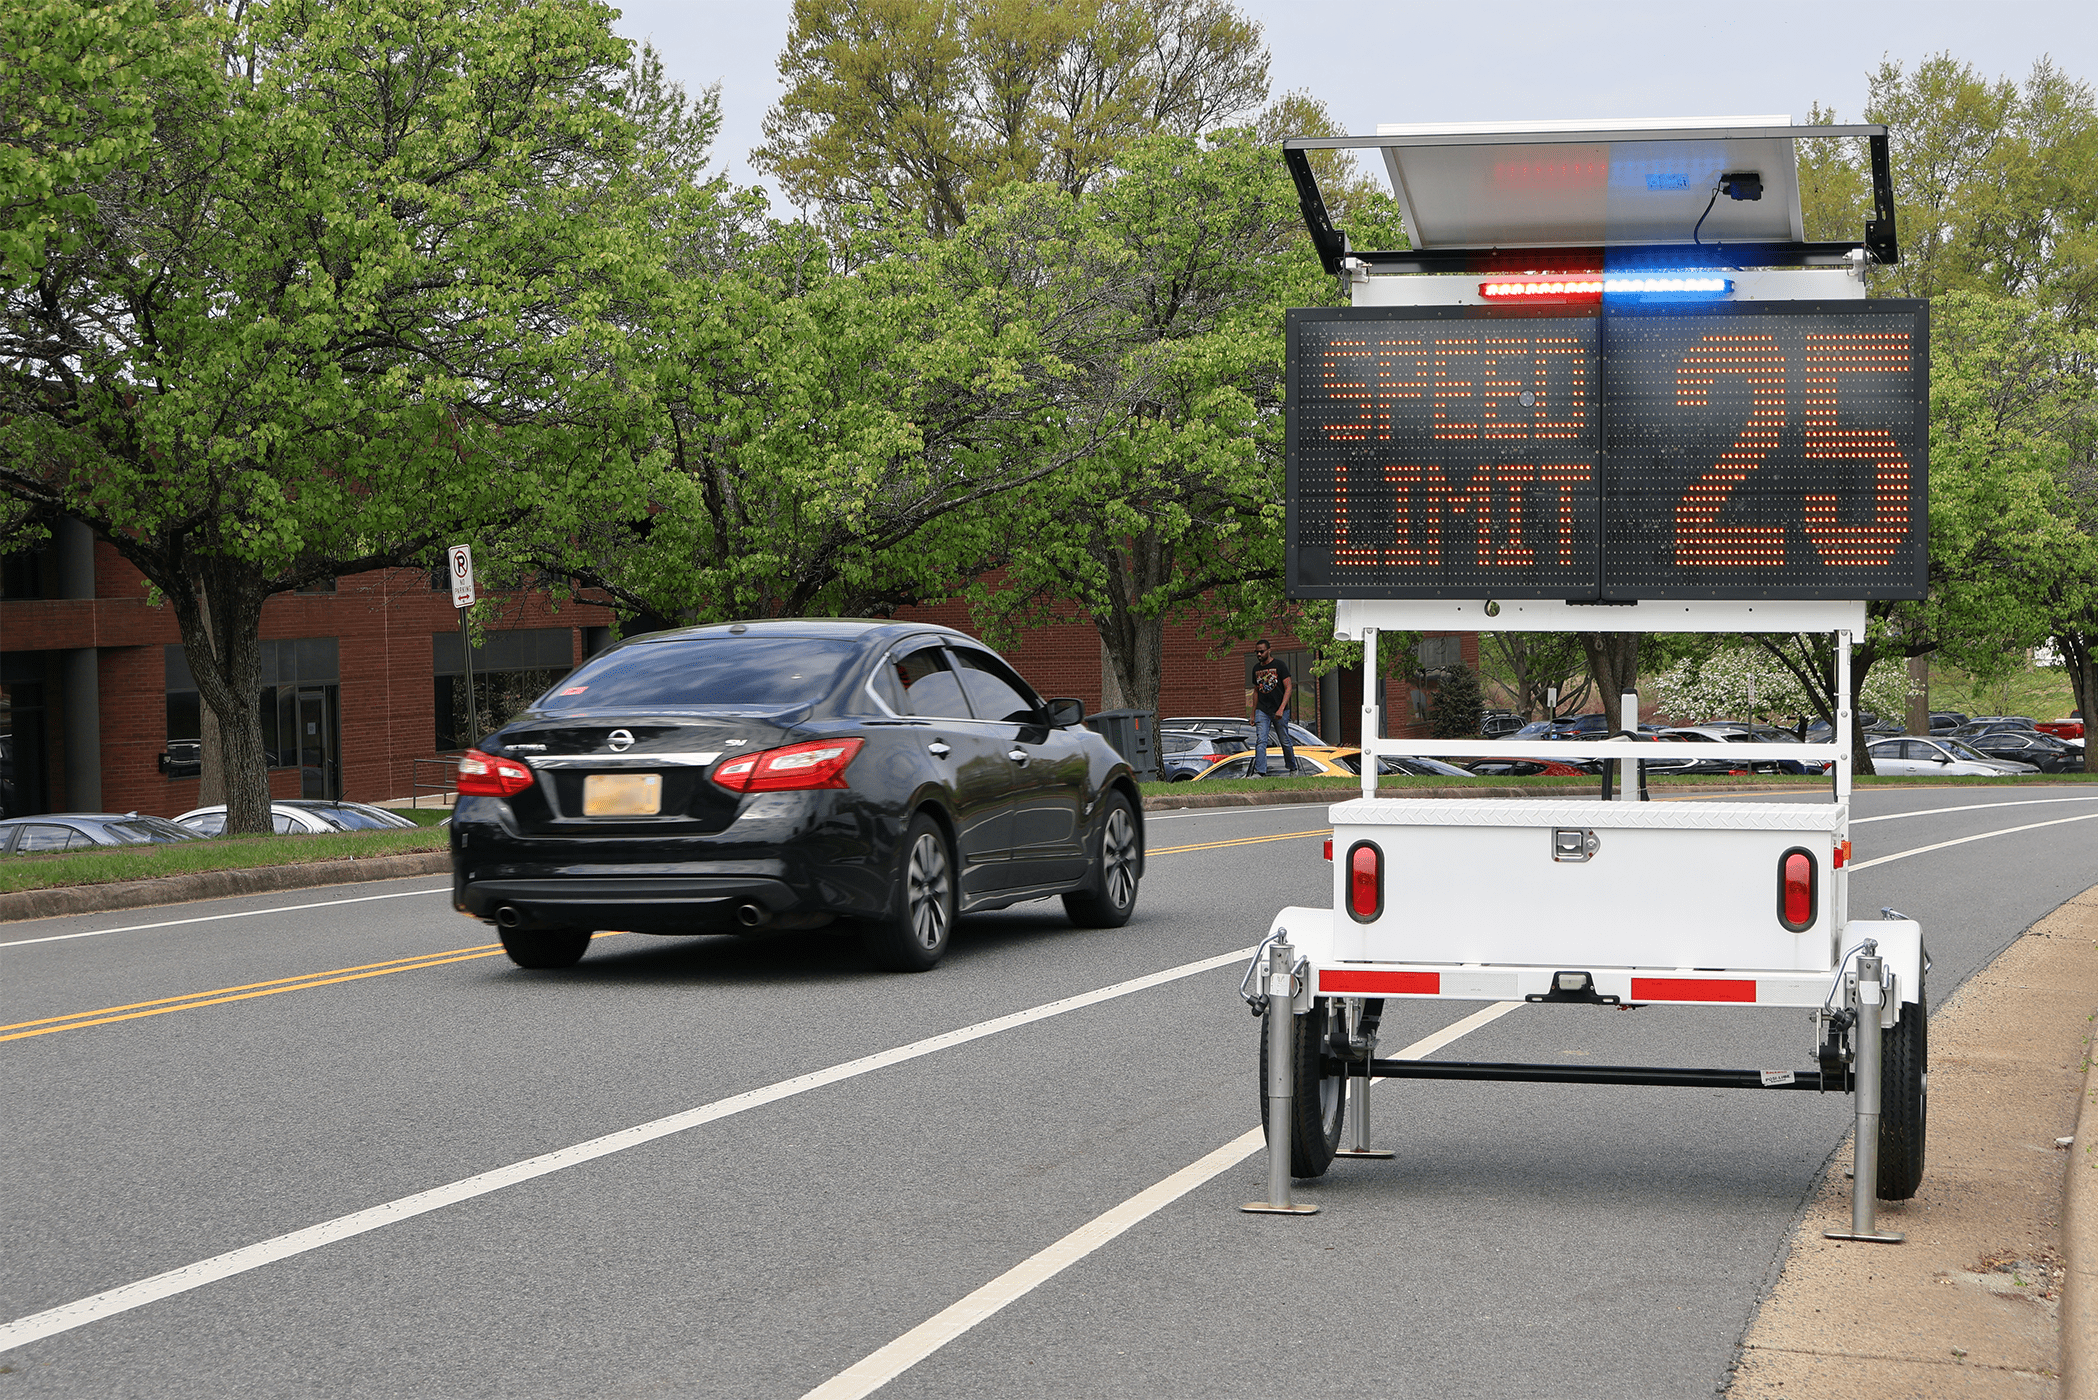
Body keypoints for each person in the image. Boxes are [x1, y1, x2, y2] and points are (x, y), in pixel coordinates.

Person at [1249, 640, 1295, 777]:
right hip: (1263, 710)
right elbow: (1256, 691)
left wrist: (1281, 708)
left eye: (1261, 651)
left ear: (1269, 650)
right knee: (1261, 740)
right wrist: (1253, 713)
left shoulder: (1279, 665)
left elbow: (1289, 687)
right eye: (1256, 651)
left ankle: (1293, 767)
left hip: (1279, 709)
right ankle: (1260, 772)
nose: (1259, 654)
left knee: (1284, 740)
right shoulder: (1256, 669)